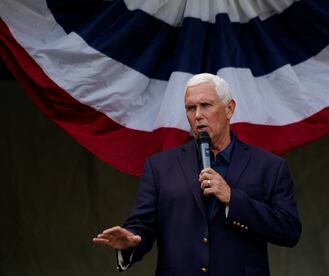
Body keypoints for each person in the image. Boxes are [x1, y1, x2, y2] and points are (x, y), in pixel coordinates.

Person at [93, 73, 301, 275]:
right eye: (191, 108)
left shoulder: (269, 166)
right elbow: (141, 225)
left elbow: (289, 230)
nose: (198, 115)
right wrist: (131, 241)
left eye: (206, 105)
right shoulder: (160, 167)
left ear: (229, 109)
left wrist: (233, 199)